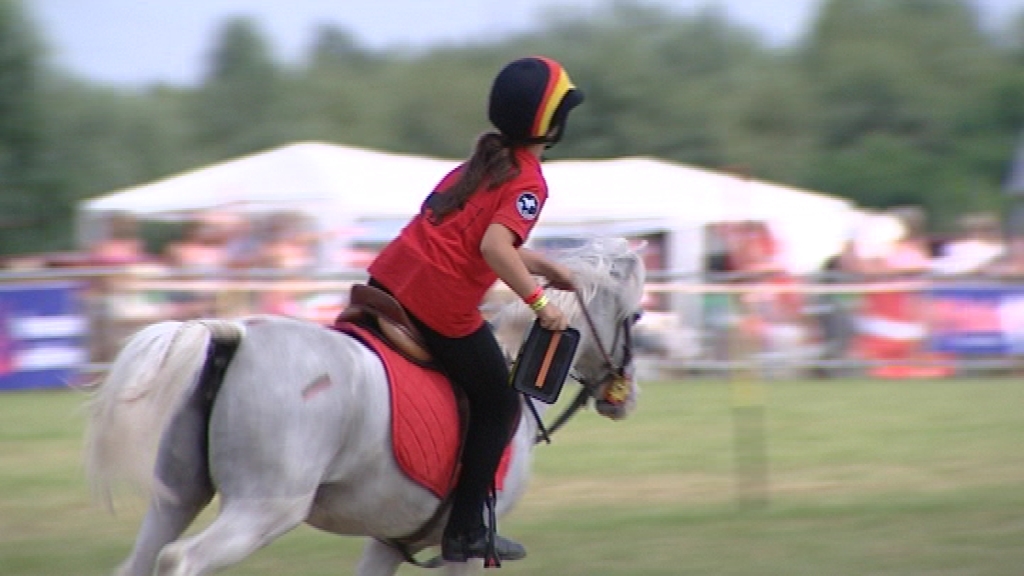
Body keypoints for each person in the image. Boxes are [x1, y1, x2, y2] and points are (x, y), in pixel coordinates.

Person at [366, 55, 584, 563]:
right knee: (500, 404)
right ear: (552, 124)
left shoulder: (475, 166)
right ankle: (465, 529)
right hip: (438, 305)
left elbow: (471, 238)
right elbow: (492, 248)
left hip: (390, 279)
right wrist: (541, 304)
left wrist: (544, 265)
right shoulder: (528, 180)